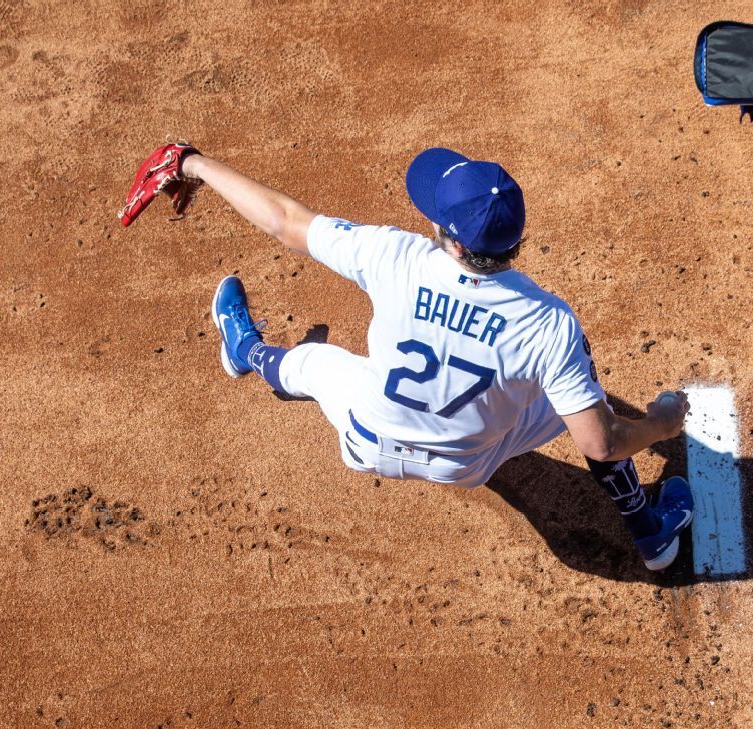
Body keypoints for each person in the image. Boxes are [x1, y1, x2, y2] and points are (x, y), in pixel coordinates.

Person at [119, 142, 694, 570]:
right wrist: (663, 423)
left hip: (367, 440)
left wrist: (190, 161)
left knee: (316, 366)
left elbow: (283, 219)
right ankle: (651, 536)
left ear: (450, 236)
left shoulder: (395, 256)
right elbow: (602, 444)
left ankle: (245, 351)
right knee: (582, 390)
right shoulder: (548, 323)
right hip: (466, 463)